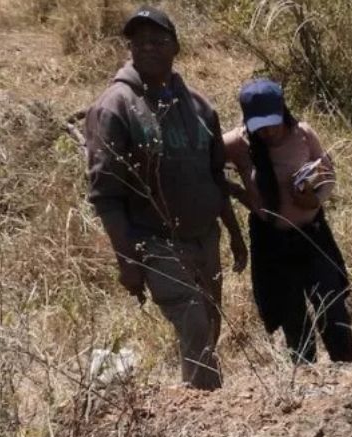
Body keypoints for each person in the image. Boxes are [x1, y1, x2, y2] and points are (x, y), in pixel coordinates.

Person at [84, 5, 246, 390]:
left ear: (176, 47)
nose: (148, 48)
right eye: (139, 42)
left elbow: (214, 175)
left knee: (209, 321)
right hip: (155, 240)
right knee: (191, 319)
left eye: (158, 40)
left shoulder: (198, 106)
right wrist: (128, 262)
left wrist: (235, 233)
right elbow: (106, 196)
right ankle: (207, 412)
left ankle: (200, 402)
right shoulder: (115, 106)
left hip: (205, 236)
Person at [223, 79, 352, 364]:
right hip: (272, 241)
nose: (268, 131)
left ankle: (345, 367)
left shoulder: (303, 134)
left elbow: (328, 175)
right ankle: (305, 374)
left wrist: (314, 198)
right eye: (260, 125)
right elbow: (206, 167)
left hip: (313, 233)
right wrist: (238, 193)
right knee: (291, 314)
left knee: (332, 305)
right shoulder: (237, 144)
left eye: (272, 122)